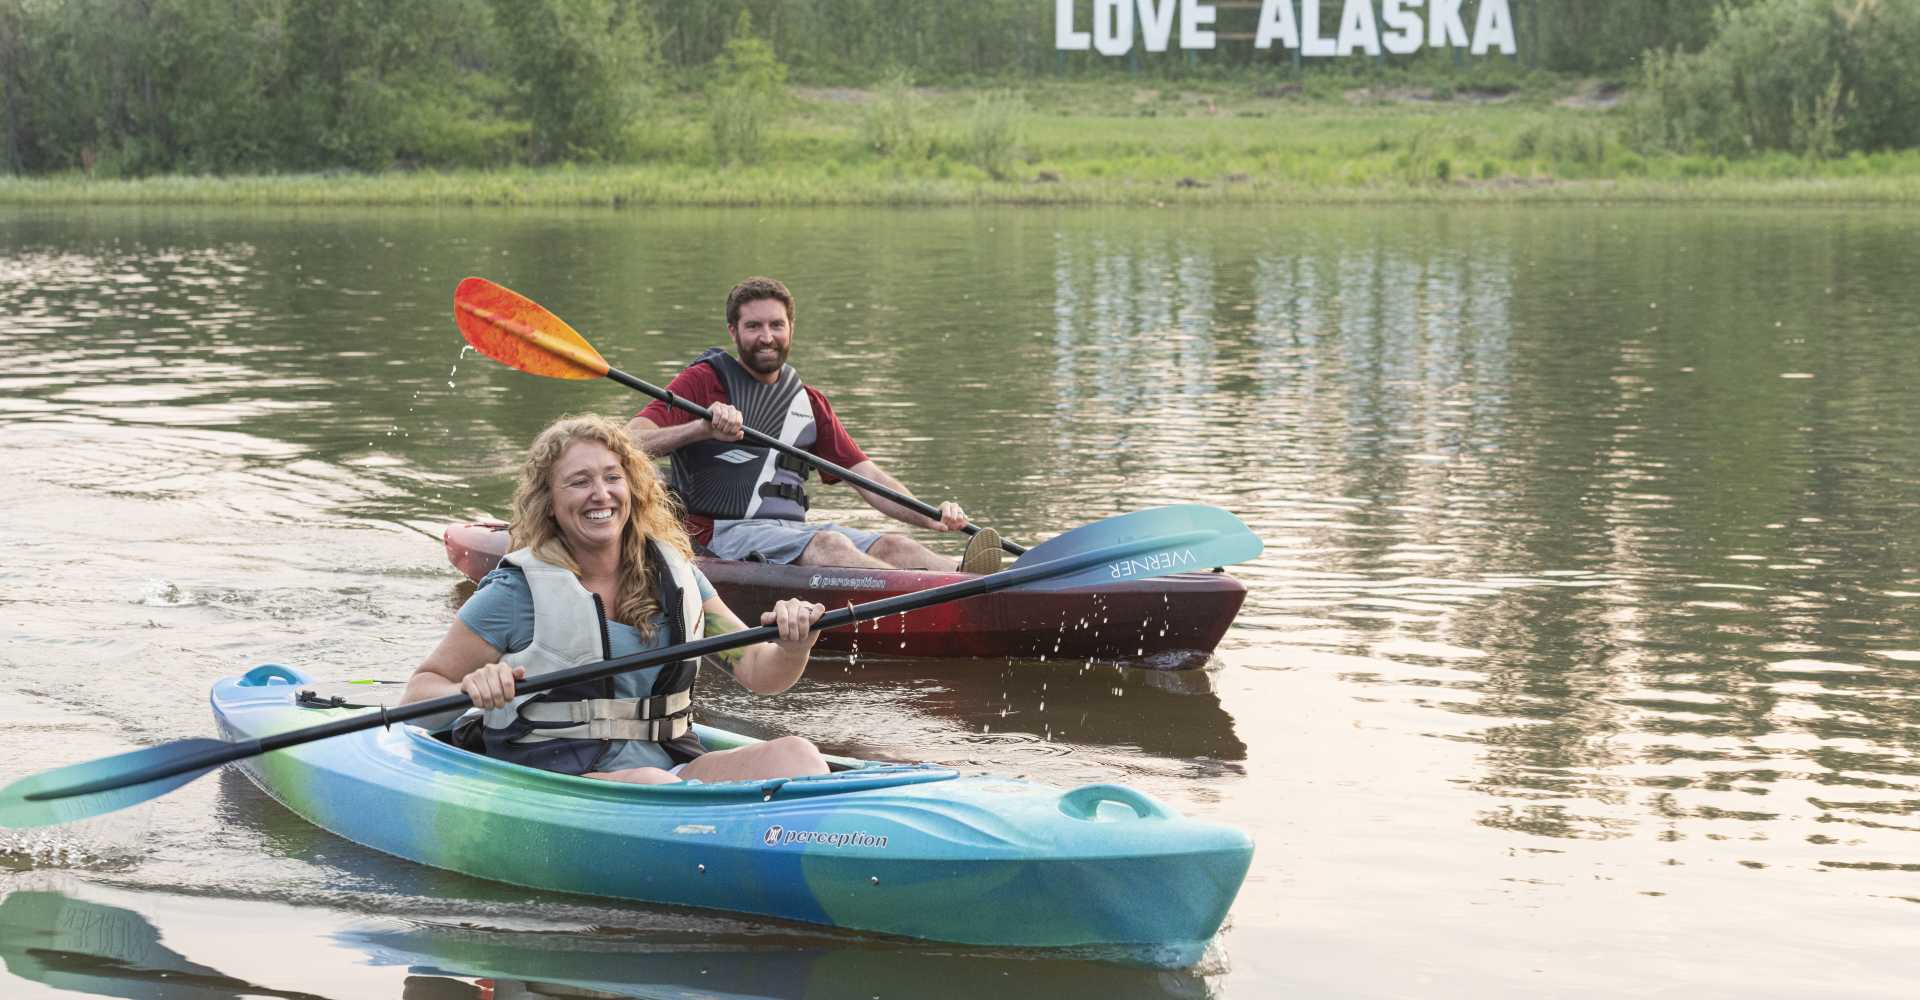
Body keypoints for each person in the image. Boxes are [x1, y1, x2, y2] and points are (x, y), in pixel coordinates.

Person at [401, 414, 830, 785]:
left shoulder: (678, 578)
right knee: (652, 784)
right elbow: (418, 698)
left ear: (633, 488)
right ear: (549, 503)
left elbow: (758, 670)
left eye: (612, 477)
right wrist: (467, 688)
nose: (600, 494)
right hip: (559, 775)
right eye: (579, 482)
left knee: (798, 756)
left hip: (670, 770)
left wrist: (795, 647)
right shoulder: (516, 592)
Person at [627, 276, 1002, 573]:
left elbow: (869, 477)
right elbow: (628, 442)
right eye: (753, 326)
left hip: (791, 534)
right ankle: (926, 599)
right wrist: (701, 429)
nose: (767, 337)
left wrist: (933, 517)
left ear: (791, 328)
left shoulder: (808, 402)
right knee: (830, 545)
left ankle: (973, 581)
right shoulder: (702, 382)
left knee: (895, 545)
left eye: (777, 325)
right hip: (718, 537)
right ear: (733, 331)